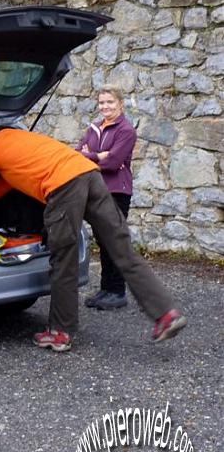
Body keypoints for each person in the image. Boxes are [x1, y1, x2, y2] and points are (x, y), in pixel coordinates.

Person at [0, 128, 185, 353]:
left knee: (63, 257)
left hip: (63, 187)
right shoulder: (17, 135)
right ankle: (165, 314)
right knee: (122, 250)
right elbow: (9, 176)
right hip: (89, 174)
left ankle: (60, 332)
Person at [76, 86, 138, 310]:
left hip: (117, 191)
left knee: (114, 240)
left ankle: (118, 291)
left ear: (120, 104)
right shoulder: (94, 128)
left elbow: (112, 163)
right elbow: (76, 154)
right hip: (97, 189)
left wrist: (89, 155)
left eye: (110, 102)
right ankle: (106, 288)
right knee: (103, 241)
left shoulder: (126, 131)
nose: (105, 107)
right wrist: (97, 155)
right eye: (101, 102)